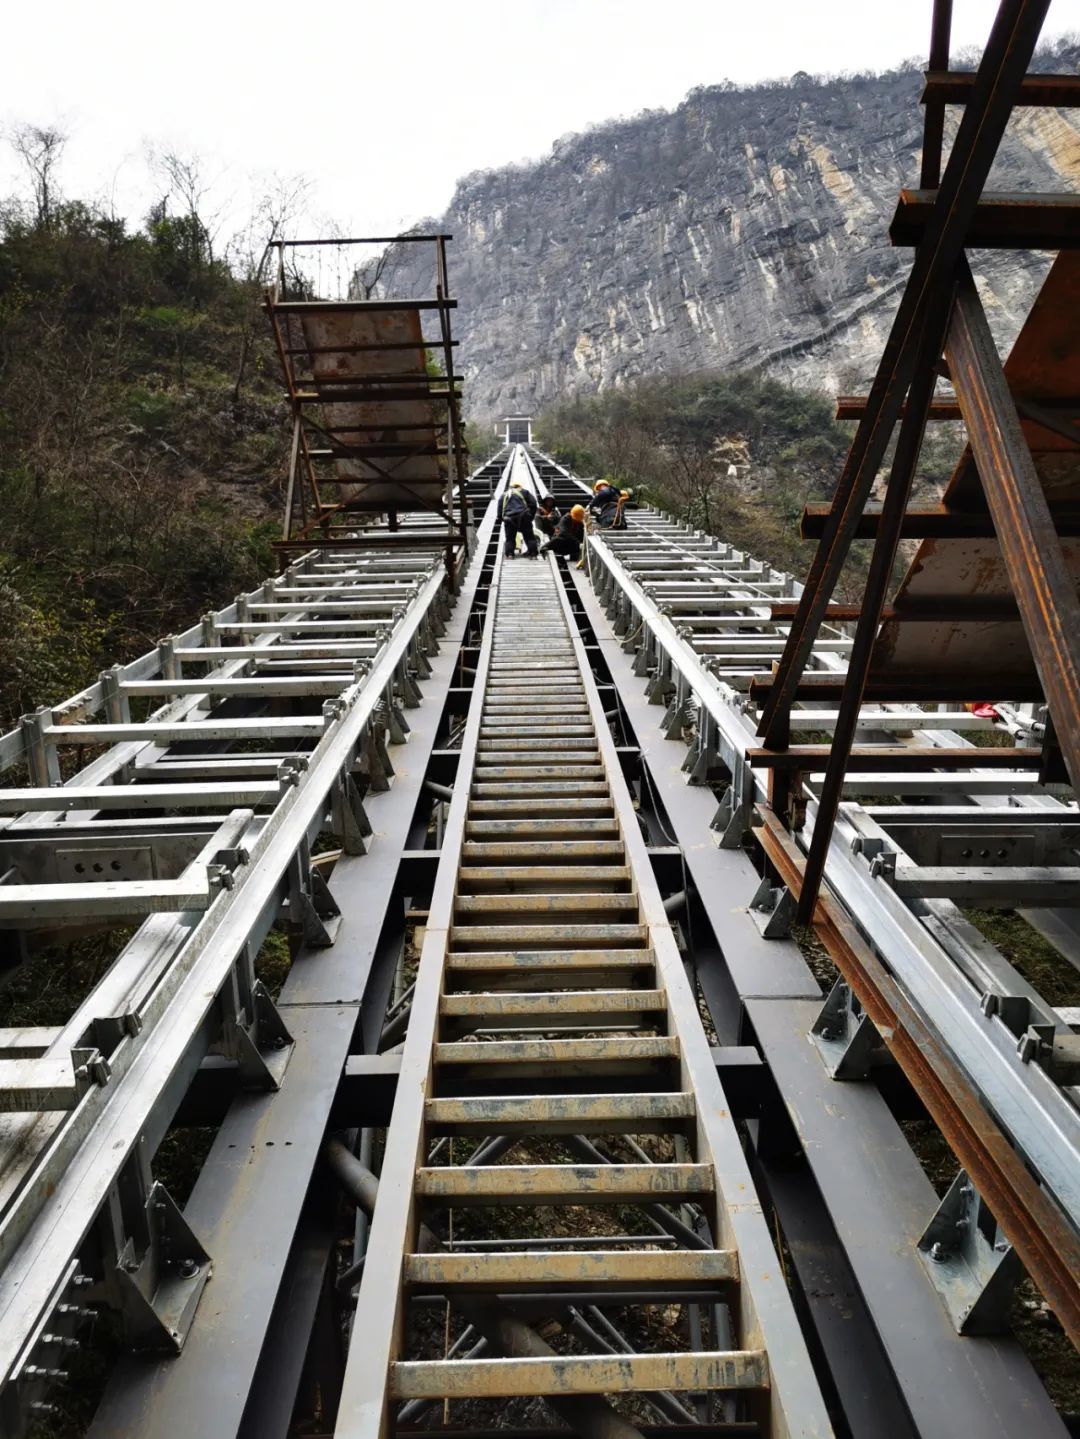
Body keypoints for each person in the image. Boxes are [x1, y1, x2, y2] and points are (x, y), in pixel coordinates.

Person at [500, 479, 538, 558]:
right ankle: (533, 554)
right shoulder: (525, 492)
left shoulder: (504, 494)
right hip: (524, 516)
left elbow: (500, 508)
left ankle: (510, 554)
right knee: (529, 536)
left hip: (509, 517)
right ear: (519, 487)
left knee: (510, 538)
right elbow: (533, 504)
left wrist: (501, 518)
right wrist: (530, 516)